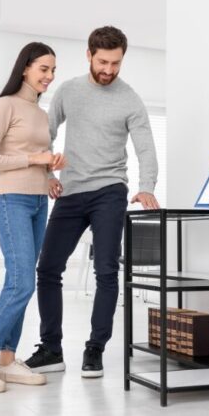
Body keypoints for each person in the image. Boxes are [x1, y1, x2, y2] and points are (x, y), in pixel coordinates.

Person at [25, 26, 160, 378]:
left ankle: (95, 348)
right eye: (103, 61)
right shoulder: (68, 91)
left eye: (116, 63)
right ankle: (52, 348)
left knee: (105, 270)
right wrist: (49, 177)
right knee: (48, 268)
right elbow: (45, 136)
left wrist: (147, 186)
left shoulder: (129, 98)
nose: (109, 70)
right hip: (70, 191)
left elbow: (145, 146)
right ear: (88, 55)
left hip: (109, 190)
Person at [0, 42, 66, 393]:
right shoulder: (5, 105)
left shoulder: (41, 113)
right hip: (11, 201)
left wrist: (50, 176)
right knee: (22, 283)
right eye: (43, 69)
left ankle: (7, 361)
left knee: (21, 282)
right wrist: (35, 161)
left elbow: (38, 156)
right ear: (25, 68)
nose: (49, 77)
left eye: (53, 70)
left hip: (39, 203)